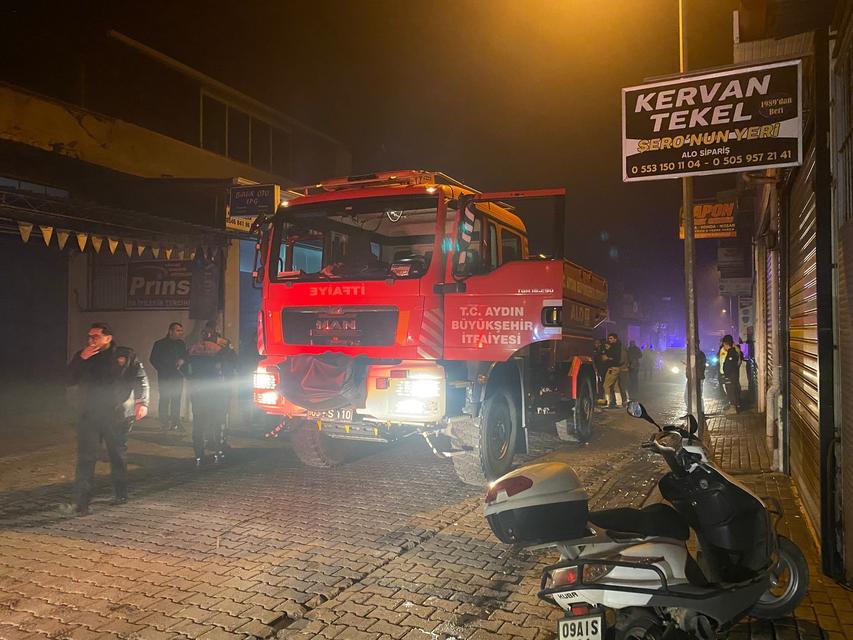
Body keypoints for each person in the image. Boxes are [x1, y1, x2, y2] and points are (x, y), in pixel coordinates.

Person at [67, 322, 149, 515]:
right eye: (89, 336)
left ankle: (120, 493)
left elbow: (140, 378)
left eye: (95, 336)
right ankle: (82, 502)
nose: (90, 340)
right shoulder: (84, 355)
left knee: (117, 455)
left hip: (116, 415)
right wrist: (80, 359)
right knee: (86, 458)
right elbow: (68, 378)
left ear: (108, 338)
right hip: (89, 414)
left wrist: (142, 402)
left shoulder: (125, 355)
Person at [183, 322, 230, 467]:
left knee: (199, 423)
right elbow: (232, 366)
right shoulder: (221, 350)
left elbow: (181, 365)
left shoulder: (192, 349)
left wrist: (191, 378)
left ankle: (198, 455)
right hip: (217, 391)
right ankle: (218, 453)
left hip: (198, 391)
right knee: (218, 422)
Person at [149, 322, 187, 431]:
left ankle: (176, 422)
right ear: (170, 331)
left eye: (181, 330)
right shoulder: (159, 344)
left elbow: (185, 356)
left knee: (176, 399)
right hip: (165, 376)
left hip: (177, 376)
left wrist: (182, 361)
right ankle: (164, 422)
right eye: (178, 330)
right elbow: (153, 359)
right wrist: (162, 369)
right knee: (165, 399)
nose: (180, 333)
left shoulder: (181, 344)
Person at [718, 334, 743, 414]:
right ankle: (733, 406)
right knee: (731, 390)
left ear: (725, 343)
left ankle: (733, 408)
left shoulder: (732, 352)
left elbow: (729, 365)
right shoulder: (732, 351)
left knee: (731, 391)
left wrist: (727, 375)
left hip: (730, 376)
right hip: (732, 375)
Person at [602, 332, 627, 408]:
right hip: (616, 368)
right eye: (609, 338)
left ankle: (608, 402)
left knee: (606, 385)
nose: (609, 340)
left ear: (615, 339)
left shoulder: (615, 347)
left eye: (611, 338)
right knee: (616, 386)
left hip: (613, 368)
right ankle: (619, 402)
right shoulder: (618, 346)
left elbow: (615, 358)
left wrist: (607, 358)